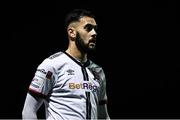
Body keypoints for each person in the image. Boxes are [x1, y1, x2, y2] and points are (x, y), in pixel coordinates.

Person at [22, 9, 110, 120]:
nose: (94, 33)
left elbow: (103, 116)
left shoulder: (98, 71)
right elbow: (28, 111)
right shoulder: (52, 65)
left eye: (95, 29)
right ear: (71, 32)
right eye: (88, 28)